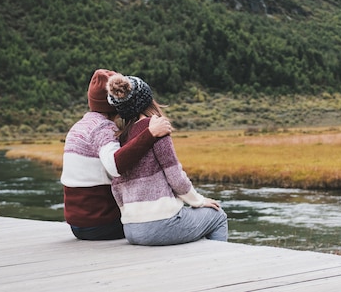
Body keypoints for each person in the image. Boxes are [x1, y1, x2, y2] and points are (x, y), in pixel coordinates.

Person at [105, 73, 228, 246]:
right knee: (218, 216)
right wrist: (199, 201)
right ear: (148, 99)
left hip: (131, 229)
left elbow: (116, 187)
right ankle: (218, 266)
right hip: (160, 225)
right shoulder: (157, 127)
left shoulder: (120, 137)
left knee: (192, 218)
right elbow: (175, 178)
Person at [61, 69, 172, 240]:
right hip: (102, 224)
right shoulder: (103, 129)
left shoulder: (79, 126)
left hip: (77, 225)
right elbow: (115, 166)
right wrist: (150, 133)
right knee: (165, 222)